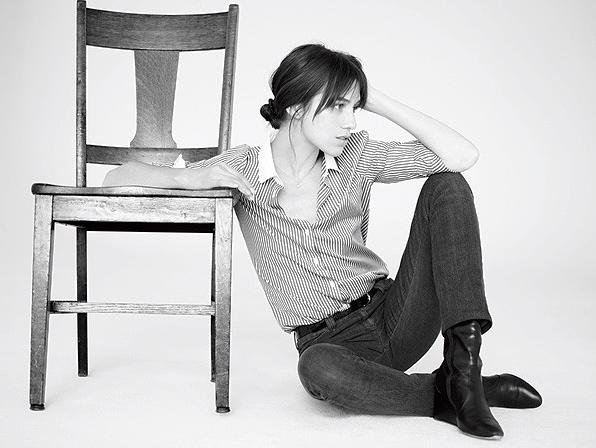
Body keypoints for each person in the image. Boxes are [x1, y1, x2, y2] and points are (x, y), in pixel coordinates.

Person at [103, 43, 542, 439]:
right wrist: (191, 178)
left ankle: (464, 369)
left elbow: (462, 156)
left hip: (396, 313)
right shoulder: (242, 169)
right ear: (295, 106)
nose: (349, 122)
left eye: (355, 108)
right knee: (315, 369)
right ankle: (451, 392)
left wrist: (374, 97)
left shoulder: (356, 155)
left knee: (448, 185)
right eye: (336, 106)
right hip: (332, 345)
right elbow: (115, 178)